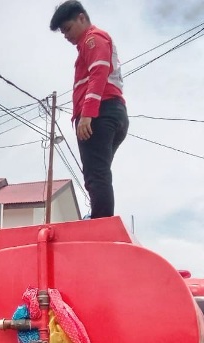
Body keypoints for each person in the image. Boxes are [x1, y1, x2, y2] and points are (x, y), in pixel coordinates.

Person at [50, 1, 129, 219]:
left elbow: (98, 75)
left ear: (82, 18)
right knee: (97, 173)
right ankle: (99, 217)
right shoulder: (91, 42)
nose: (66, 36)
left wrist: (87, 114)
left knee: (97, 174)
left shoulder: (93, 39)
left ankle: (101, 224)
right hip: (111, 112)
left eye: (67, 28)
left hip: (100, 113)